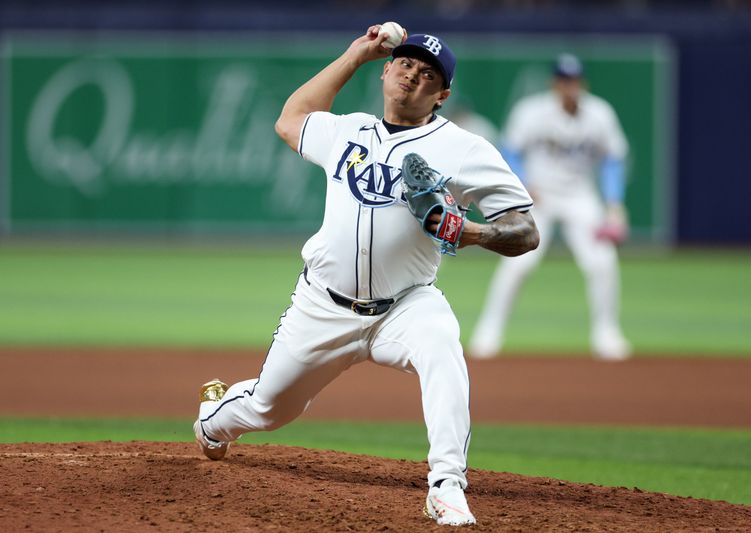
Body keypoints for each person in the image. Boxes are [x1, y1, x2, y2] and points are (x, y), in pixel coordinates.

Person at [192, 26, 539, 527]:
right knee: (267, 409)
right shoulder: (346, 131)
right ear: (386, 71)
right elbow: (290, 120)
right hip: (322, 307)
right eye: (405, 65)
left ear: (442, 95)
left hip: (405, 305)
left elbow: (525, 230)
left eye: (427, 75)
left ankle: (446, 485)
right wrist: (354, 53)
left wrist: (472, 233)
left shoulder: (464, 149)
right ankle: (212, 420)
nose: (412, 77)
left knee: (442, 346)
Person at [469, 53, 632, 361]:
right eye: (563, 80)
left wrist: (614, 204)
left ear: (582, 82)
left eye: (573, 80)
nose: (568, 86)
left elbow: (612, 160)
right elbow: (510, 151)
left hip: (580, 197)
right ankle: (489, 331)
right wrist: (523, 183)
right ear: (554, 83)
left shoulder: (599, 113)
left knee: (602, 262)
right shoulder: (532, 111)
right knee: (518, 263)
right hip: (538, 196)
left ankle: (606, 333)